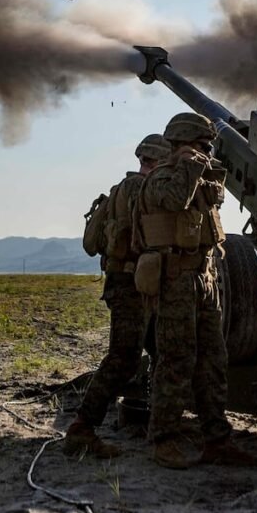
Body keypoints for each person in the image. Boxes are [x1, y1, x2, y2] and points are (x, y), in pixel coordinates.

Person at [133, 113, 257, 470]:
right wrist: (190, 165)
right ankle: (164, 440)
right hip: (175, 280)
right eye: (202, 146)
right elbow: (175, 200)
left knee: (213, 361)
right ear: (183, 144)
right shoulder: (161, 179)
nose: (206, 153)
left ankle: (217, 440)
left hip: (203, 279)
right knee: (176, 361)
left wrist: (207, 172)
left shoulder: (196, 177)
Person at [62, 134, 170, 458]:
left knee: (159, 351)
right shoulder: (140, 190)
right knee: (123, 357)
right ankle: (82, 428)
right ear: (159, 161)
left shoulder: (123, 189)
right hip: (130, 284)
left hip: (133, 284)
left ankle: (157, 422)